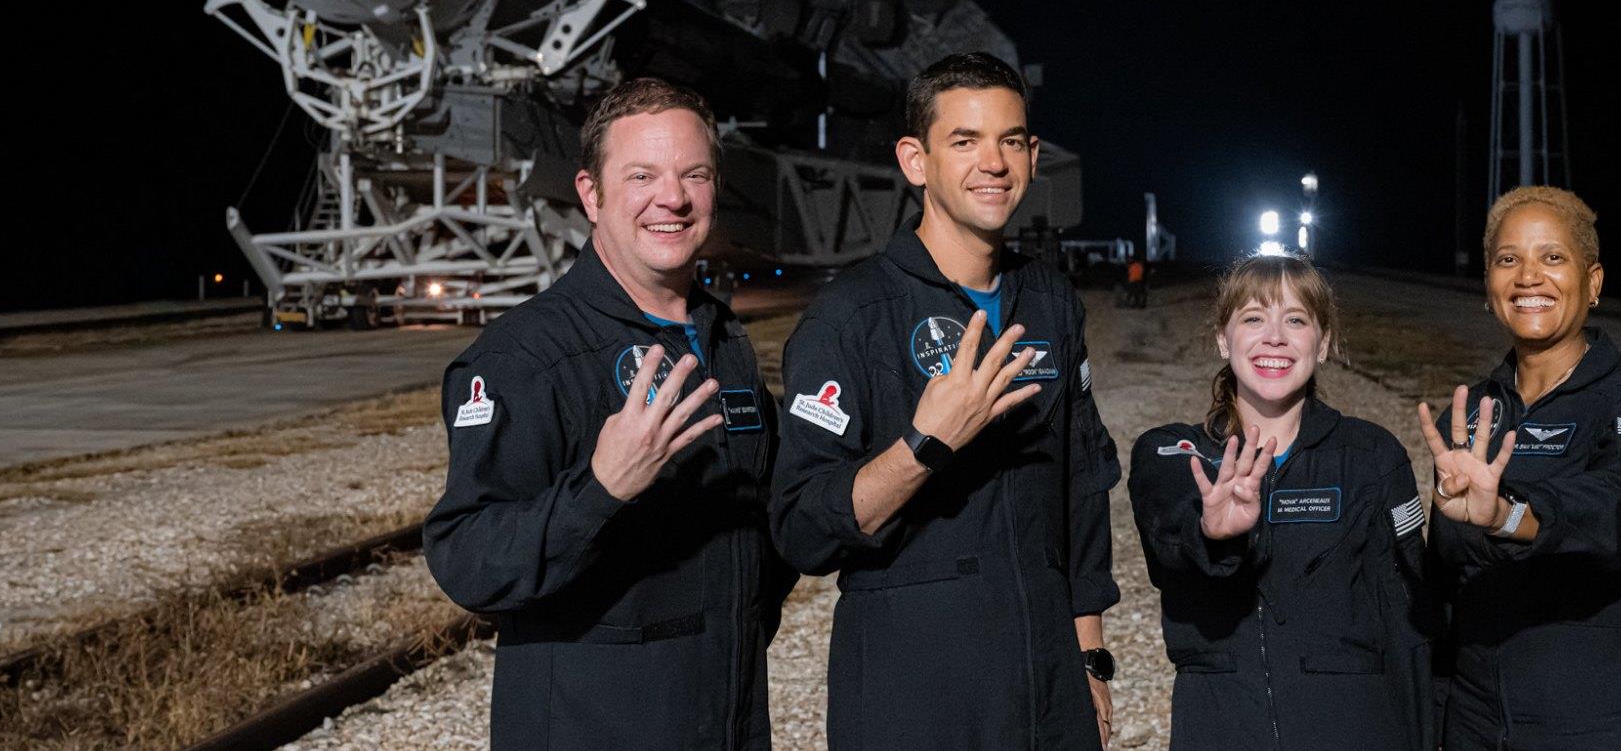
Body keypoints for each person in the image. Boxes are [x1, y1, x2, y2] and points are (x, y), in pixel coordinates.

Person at [422, 77, 795, 751]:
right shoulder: (527, 357)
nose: (672, 198)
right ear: (590, 194)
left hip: (728, 726)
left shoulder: (722, 341)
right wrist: (601, 488)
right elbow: (468, 561)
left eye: (694, 174)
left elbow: (757, 538)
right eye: (642, 174)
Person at [770, 52, 1124, 751]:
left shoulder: (1048, 300)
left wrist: (1090, 655)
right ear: (915, 159)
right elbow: (802, 529)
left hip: (1044, 677)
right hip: (915, 686)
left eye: (1012, 140)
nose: (994, 162)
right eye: (964, 141)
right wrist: (922, 445)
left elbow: (1080, 490)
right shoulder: (851, 316)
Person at [1419, 186, 1621, 751]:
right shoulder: (1474, 413)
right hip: (1476, 718)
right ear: (1488, 287)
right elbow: (1442, 587)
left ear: (1593, 282)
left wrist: (1508, 515)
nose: (1529, 277)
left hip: (1599, 714)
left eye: (1553, 257)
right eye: (1508, 259)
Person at [1128, 254, 1434, 750]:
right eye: (1253, 318)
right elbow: (1169, 543)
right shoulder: (1173, 451)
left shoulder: (1372, 456)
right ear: (1223, 339)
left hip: (1356, 729)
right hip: (1222, 728)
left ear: (1324, 342)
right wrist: (1212, 532)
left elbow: (1409, 621)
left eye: (1296, 319)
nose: (1275, 337)